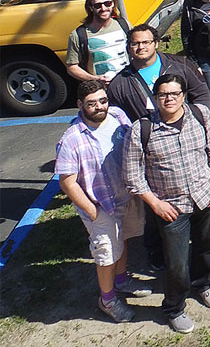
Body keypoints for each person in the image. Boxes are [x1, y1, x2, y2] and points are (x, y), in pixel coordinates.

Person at [122, 73, 210, 334]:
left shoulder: (200, 114)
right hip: (171, 207)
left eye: (174, 94)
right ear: (155, 98)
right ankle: (174, 308)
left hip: (205, 197)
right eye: (163, 95)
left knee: (207, 247)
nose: (169, 99)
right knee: (177, 264)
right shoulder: (141, 129)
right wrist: (155, 204)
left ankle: (202, 285)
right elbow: (132, 175)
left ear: (184, 95)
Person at [57, 81, 150, 324]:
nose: (99, 107)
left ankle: (121, 281)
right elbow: (67, 182)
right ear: (80, 105)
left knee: (123, 239)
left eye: (103, 101)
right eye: (91, 103)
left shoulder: (118, 116)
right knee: (106, 255)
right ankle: (107, 300)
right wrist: (92, 211)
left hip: (126, 197)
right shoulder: (71, 139)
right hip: (100, 207)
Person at [107, 24, 210, 123]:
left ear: (156, 43)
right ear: (128, 48)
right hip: (153, 140)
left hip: (188, 128)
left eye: (146, 42)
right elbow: (117, 118)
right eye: (135, 44)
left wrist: (196, 121)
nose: (141, 47)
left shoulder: (181, 66)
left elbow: (202, 95)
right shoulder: (119, 84)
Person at [67, 0, 132, 84]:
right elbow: (72, 67)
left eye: (107, 3)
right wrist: (95, 79)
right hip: (102, 90)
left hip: (129, 83)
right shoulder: (78, 35)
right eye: (97, 5)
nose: (103, 8)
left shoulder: (124, 25)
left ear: (113, 4)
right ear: (90, 8)